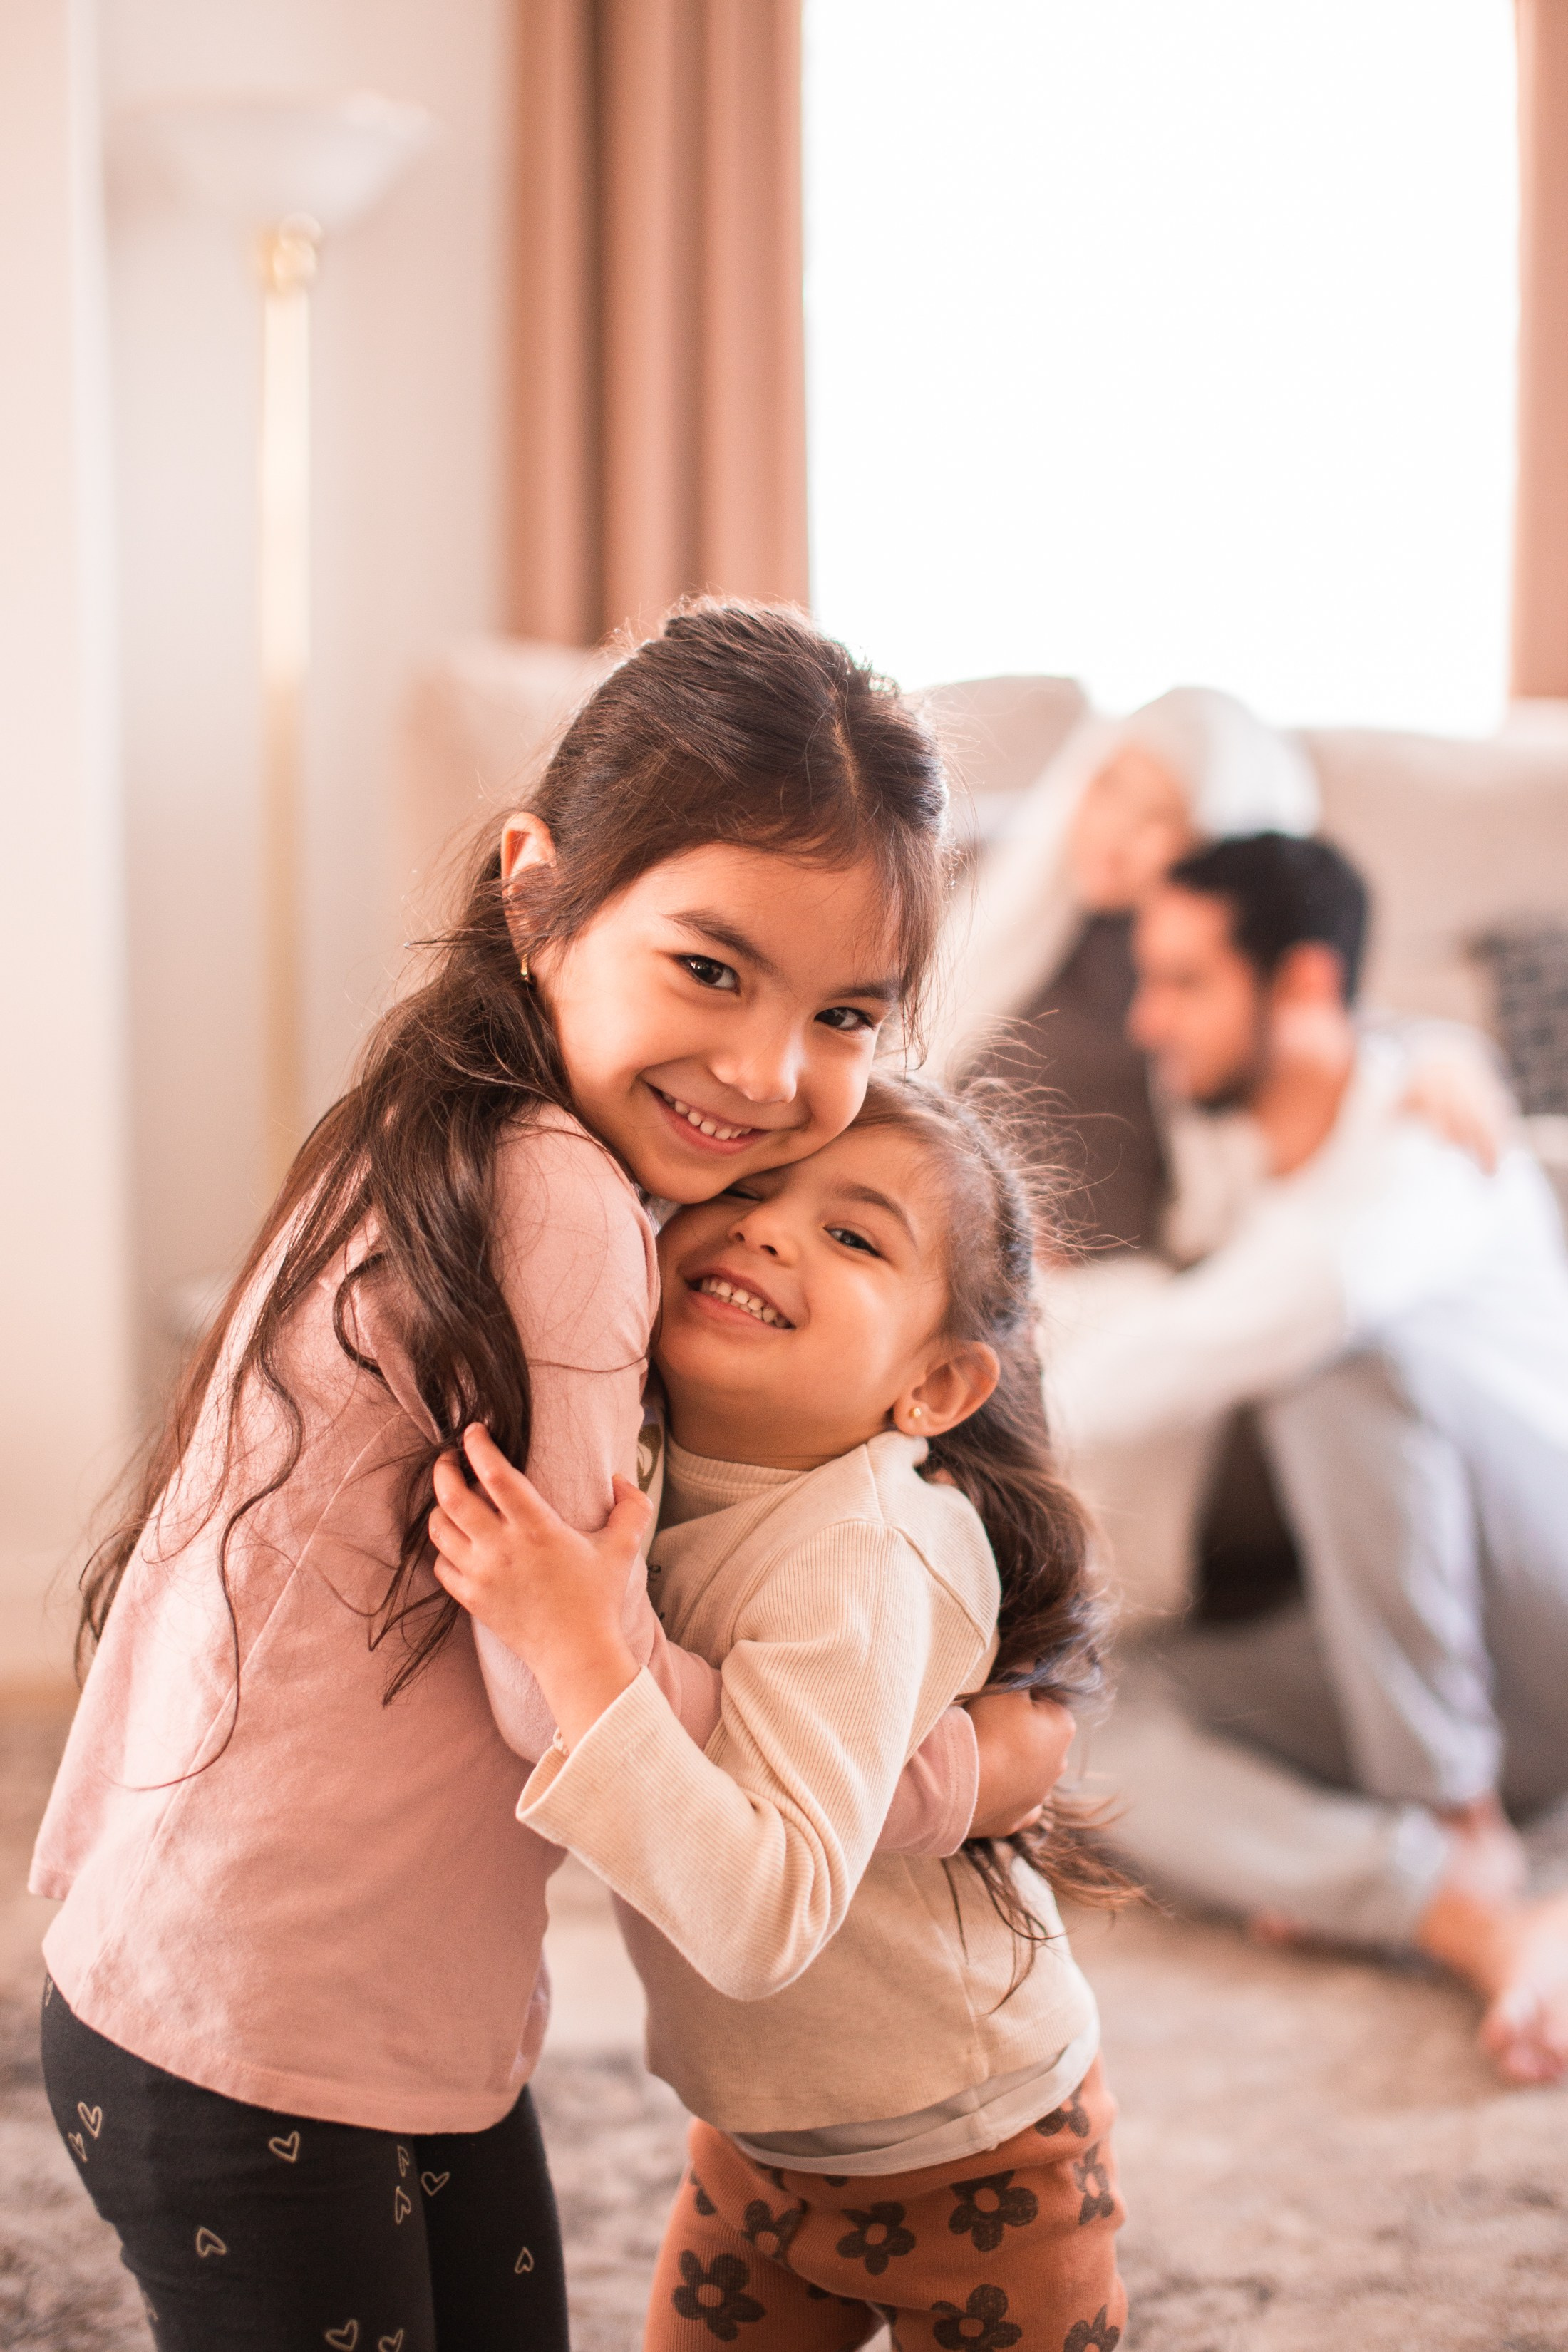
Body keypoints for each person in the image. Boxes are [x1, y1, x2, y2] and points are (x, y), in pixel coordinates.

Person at [31, 604, 1061, 2352]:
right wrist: (942, 1765)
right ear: (538, 891)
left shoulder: (430, 1111)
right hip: (275, 2041)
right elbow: (558, 1686)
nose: (766, 1073)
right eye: (711, 969)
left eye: (847, 1013)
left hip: (273, 1985)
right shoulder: (564, 1203)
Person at [428, 1074, 1131, 2352]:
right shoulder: (628, 1450)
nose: (765, 1228)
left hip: (980, 2157)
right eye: (746, 1188)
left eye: (854, 1235)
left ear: (934, 1387)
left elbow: (762, 1918)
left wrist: (579, 1650)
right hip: (759, 2144)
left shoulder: (868, 1553)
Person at [1048, 832, 1568, 2085]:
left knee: (1334, 1357)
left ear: (1304, 991)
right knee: (1069, 1722)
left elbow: (1262, 1317)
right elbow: (1193, 1301)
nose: (1151, 1019)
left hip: (1546, 1611)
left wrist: (969, 1414)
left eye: (1184, 982)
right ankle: (1433, 1898)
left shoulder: (1422, 1151)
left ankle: (1457, 1818)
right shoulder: (1260, 1163)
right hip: (1416, 1652)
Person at [937, 685, 1321, 1252]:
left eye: (1160, 819)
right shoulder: (986, 869)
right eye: (1110, 787)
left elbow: (1318, 1025)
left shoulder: (1198, 969)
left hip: (1098, 1273)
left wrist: (1435, 1056)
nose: (1115, 833)